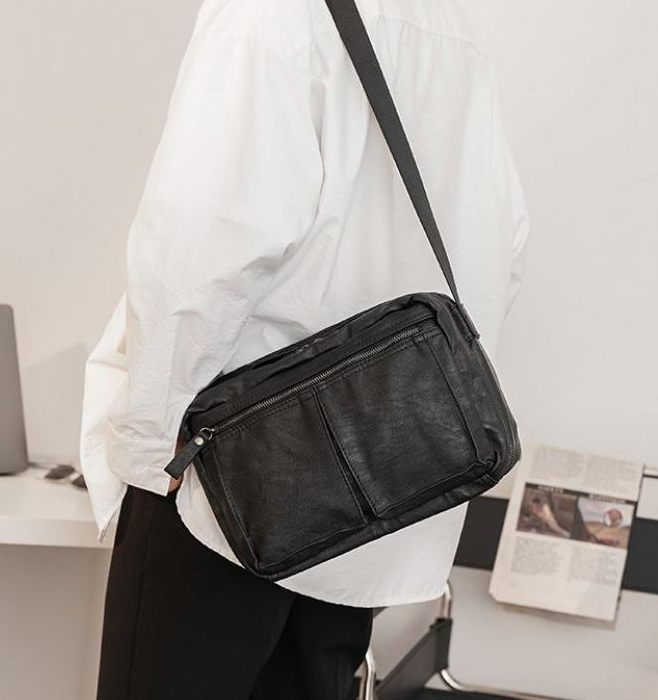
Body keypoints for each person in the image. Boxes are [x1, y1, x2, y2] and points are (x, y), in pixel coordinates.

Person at [79, 0, 530, 698]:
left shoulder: (266, 13)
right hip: (377, 497)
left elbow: (199, 248)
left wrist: (146, 447)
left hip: (223, 482)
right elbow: (503, 241)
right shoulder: (446, 27)